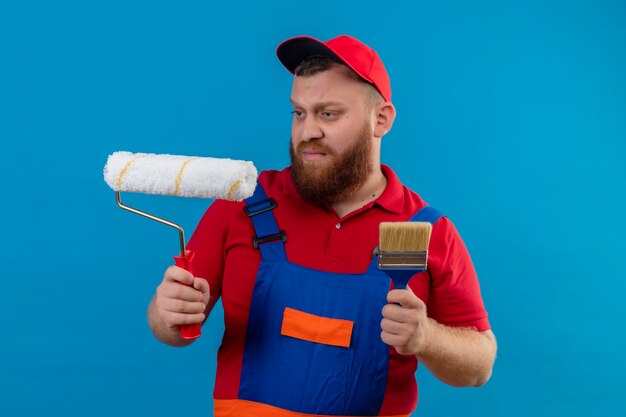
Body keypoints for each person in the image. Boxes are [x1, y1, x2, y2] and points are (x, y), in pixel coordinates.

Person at [147, 34, 497, 417]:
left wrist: (426, 337)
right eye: (299, 112)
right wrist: (167, 313)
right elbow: (171, 330)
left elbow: (479, 367)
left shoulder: (421, 228)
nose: (307, 132)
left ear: (381, 120)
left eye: (328, 114)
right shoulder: (243, 204)